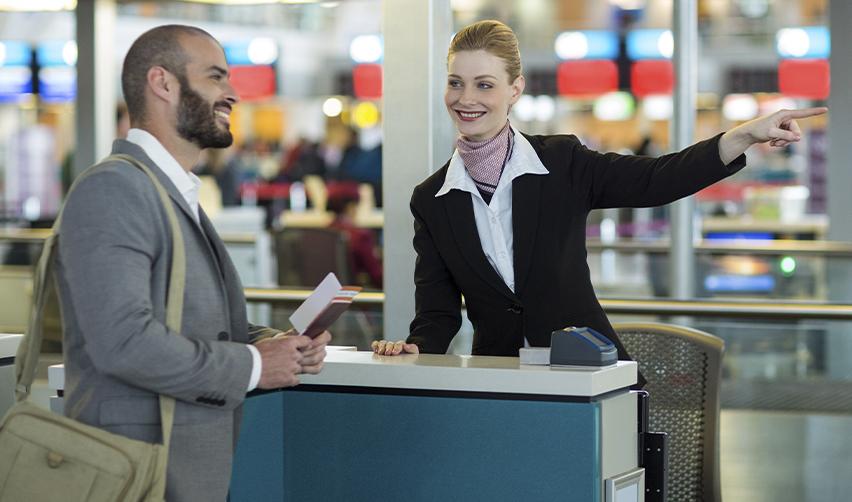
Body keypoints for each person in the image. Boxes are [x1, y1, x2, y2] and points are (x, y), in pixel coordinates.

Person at [371, 20, 826, 379]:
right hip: (503, 381)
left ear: (515, 90)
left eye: (484, 84)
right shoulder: (431, 199)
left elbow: (657, 180)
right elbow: (437, 313)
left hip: (590, 377)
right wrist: (415, 347)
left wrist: (744, 135)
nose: (466, 98)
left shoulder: (563, 162)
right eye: (456, 83)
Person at [55, 25, 331, 501]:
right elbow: (123, 342)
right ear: (163, 83)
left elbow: (190, 322)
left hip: (181, 472)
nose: (232, 94)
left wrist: (274, 345)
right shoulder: (114, 188)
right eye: (215, 77)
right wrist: (253, 365)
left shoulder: (171, 191)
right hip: (133, 476)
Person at [327, 191, 383, 288]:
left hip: (327, 292)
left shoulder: (325, 233)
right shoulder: (360, 236)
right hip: (353, 293)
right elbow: (377, 276)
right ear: (351, 207)